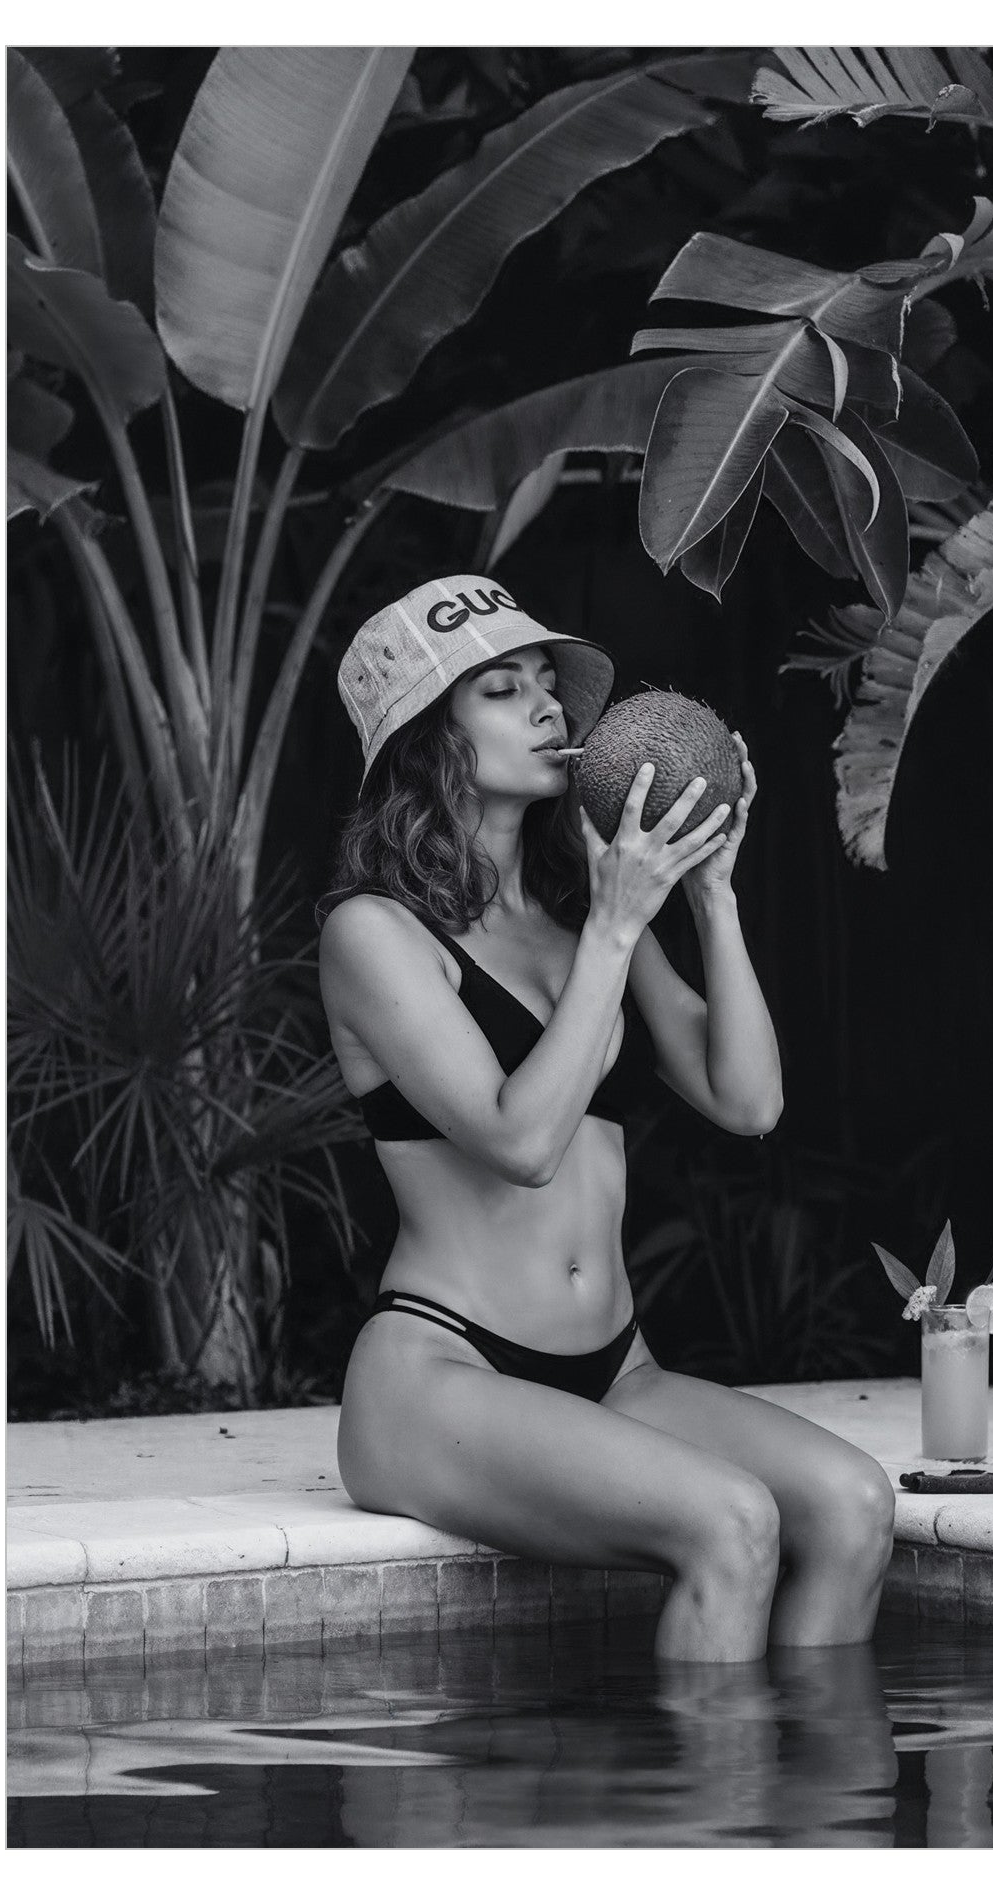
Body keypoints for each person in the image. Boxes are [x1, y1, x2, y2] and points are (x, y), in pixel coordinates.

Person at [318, 575, 895, 1664]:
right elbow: (522, 1143)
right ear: (426, 739)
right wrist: (619, 931)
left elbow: (750, 1101)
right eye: (503, 689)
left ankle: (819, 1821)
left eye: (550, 686)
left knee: (855, 1505)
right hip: (444, 1376)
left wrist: (708, 895)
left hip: (617, 1368)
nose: (550, 711)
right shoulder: (375, 933)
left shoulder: (583, 917)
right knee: (732, 1525)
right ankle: (698, 1824)